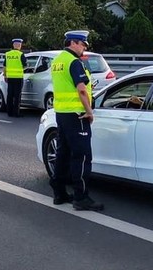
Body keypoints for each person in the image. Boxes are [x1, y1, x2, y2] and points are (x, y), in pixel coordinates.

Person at [49, 30, 104, 211]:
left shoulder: (57, 61)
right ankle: (81, 197)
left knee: (63, 154)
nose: (84, 48)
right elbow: (81, 89)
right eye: (82, 45)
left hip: (61, 113)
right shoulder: (74, 62)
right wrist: (89, 112)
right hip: (77, 115)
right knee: (82, 157)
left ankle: (59, 193)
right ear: (73, 43)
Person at [3, 38, 27, 117]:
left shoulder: (8, 54)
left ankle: (9, 112)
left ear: (13, 45)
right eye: (20, 45)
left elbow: (4, 66)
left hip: (10, 78)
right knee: (17, 96)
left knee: (10, 95)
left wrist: (5, 76)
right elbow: (25, 66)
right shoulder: (21, 54)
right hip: (18, 78)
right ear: (19, 45)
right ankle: (16, 113)